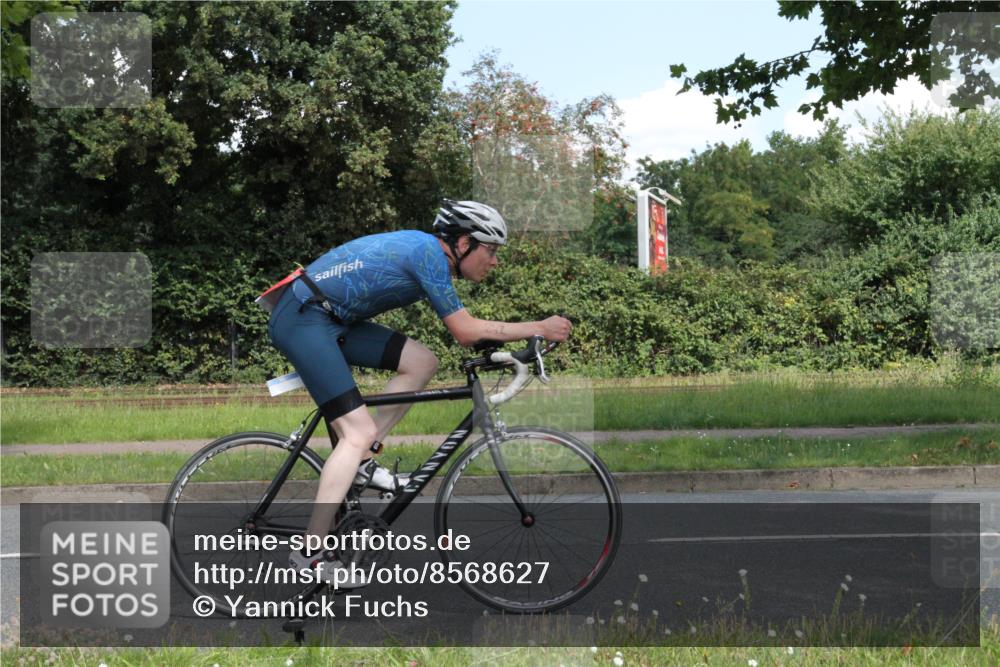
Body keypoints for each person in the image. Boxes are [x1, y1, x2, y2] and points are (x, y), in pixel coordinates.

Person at [266, 199, 572, 585]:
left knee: (422, 362)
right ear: (463, 243)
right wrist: (537, 327)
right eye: (491, 250)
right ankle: (310, 552)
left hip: (329, 317)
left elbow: (469, 333)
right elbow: (465, 331)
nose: (494, 261)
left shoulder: (432, 255)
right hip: (303, 320)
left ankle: (362, 459)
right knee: (356, 431)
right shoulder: (428, 254)